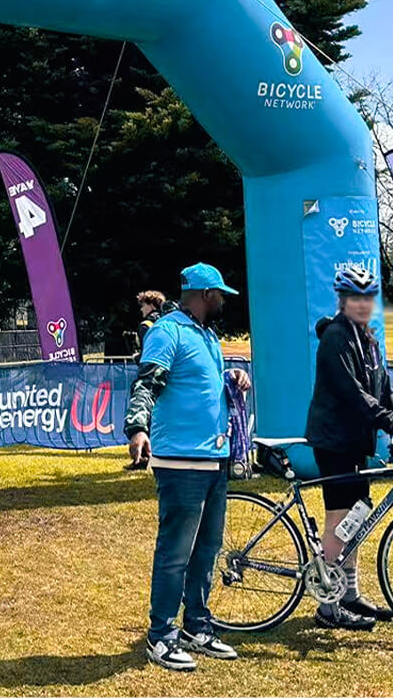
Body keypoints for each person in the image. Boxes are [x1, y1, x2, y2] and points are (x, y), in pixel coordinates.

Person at [125, 262, 252, 672]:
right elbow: (147, 381)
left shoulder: (207, 335)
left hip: (213, 458)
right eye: (220, 295)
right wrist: (137, 427)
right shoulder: (168, 332)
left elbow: (201, 383)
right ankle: (161, 634)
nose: (224, 302)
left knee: (207, 549)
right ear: (204, 294)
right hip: (180, 460)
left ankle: (197, 625)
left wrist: (231, 377)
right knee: (175, 553)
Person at [303, 264, 393, 632]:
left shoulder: (368, 339)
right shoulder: (335, 338)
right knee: (340, 520)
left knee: (357, 517)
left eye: (367, 297)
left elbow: (383, 389)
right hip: (334, 441)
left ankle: (350, 594)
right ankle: (328, 606)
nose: (362, 304)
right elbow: (354, 395)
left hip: (356, 442)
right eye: (354, 297)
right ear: (343, 300)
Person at [135, 290, 179, 355]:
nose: (141, 309)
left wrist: (136, 357)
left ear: (151, 305)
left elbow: (148, 353)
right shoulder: (170, 322)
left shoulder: (146, 325)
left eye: (143, 306)